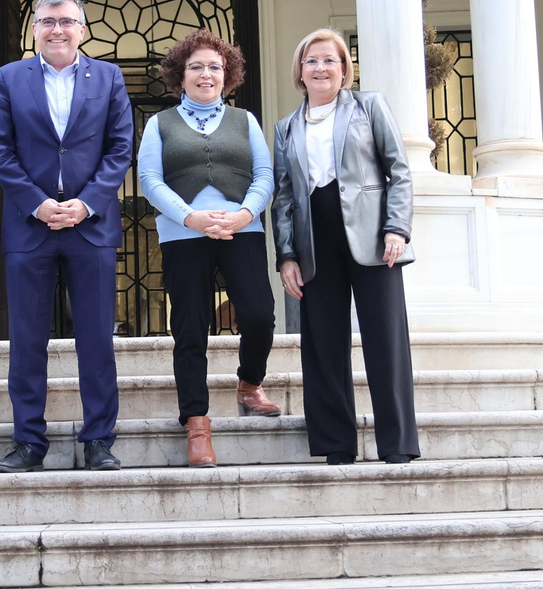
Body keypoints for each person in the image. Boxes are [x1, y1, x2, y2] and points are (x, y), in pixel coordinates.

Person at [0, 0, 134, 472]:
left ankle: (98, 440)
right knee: (27, 339)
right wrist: (39, 203)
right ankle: (29, 442)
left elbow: (120, 149)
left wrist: (86, 204)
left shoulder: (109, 77)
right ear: (34, 29)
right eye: (47, 21)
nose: (57, 29)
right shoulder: (9, 78)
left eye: (67, 21)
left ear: (82, 29)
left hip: (90, 229)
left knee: (96, 338)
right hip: (31, 228)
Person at [271, 29, 420, 466]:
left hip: (373, 236)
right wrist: (286, 255)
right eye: (311, 60)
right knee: (323, 343)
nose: (320, 68)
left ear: (344, 69)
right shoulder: (286, 128)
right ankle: (336, 443)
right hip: (314, 239)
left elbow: (399, 170)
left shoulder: (369, 106)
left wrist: (397, 228)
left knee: (385, 339)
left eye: (329, 60)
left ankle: (397, 444)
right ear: (300, 71)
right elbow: (283, 197)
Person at [138, 30, 278, 468]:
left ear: (227, 75)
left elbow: (264, 175)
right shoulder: (158, 124)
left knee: (259, 314)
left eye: (214, 66)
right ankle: (197, 423)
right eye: (196, 66)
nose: (205, 74)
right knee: (191, 328)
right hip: (183, 236)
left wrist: (244, 215)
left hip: (242, 230)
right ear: (181, 75)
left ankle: (249, 383)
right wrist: (190, 218)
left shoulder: (246, 121)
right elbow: (150, 181)